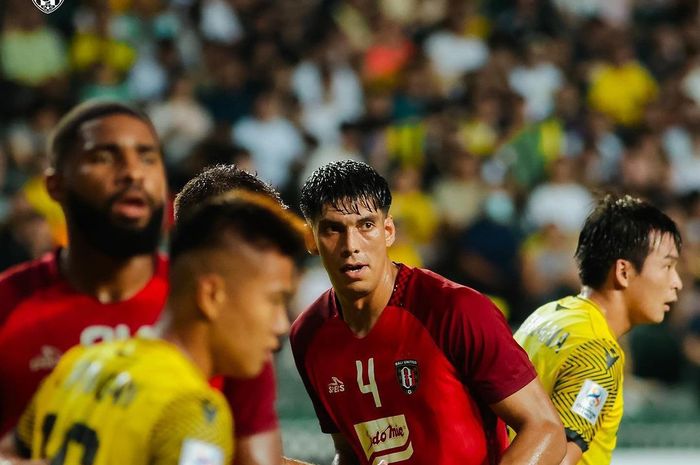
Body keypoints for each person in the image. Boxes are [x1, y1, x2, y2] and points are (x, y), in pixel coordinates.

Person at [0, 101, 285, 465]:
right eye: (105, 157)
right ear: (56, 185)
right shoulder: (8, 304)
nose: (133, 172)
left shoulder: (215, 302)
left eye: (148, 158)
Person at [290, 160, 566, 465]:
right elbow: (351, 454)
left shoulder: (457, 309)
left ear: (389, 231)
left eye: (366, 225)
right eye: (333, 229)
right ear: (311, 240)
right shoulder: (308, 335)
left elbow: (545, 429)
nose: (351, 245)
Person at [513, 194, 683, 465]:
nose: (677, 282)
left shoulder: (547, 315)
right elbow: (557, 459)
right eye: (667, 266)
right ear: (623, 272)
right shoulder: (598, 352)